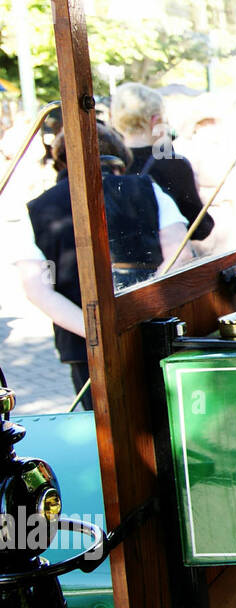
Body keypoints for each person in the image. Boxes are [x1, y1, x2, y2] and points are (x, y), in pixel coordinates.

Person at [14, 121, 190, 409]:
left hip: (84, 346)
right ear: (120, 158)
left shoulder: (37, 208)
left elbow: (37, 290)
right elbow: (179, 255)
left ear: (61, 160)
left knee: (102, 430)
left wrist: (96, 331)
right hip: (149, 330)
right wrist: (136, 315)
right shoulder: (148, 189)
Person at [110, 82, 215, 239]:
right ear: (155, 120)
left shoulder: (108, 164)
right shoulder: (172, 164)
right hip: (168, 260)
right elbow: (200, 229)